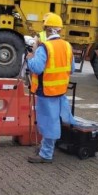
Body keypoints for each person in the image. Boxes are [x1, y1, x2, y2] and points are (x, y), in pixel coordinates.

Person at [26, 13, 74, 163]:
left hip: (46, 91)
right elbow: (71, 69)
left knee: (48, 122)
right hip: (60, 90)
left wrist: (30, 56)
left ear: (46, 30)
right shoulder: (67, 46)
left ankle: (46, 154)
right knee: (53, 121)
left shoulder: (44, 48)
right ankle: (46, 148)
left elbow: (37, 68)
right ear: (59, 30)